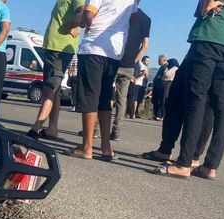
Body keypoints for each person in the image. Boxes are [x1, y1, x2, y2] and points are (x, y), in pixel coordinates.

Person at [152, 0, 224, 180]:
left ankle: (184, 163)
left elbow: (208, 5)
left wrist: (207, 6)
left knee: (197, 97)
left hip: (212, 35)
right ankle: (210, 166)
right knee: (221, 102)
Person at [68, 0, 137, 160]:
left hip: (94, 46)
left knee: (90, 96)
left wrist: (83, 22)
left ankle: (87, 147)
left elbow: (89, 14)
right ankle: (106, 147)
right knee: (105, 98)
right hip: (114, 51)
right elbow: (133, 18)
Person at [27, 0, 84, 140]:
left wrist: (70, 25)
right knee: (55, 89)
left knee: (50, 89)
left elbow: (82, 12)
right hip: (54, 46)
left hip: (59, 48)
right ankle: (52, 128)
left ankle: (36, 128)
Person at [111, 1, 150, 141]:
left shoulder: (121, 12)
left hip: (114, 58)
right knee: (122, 98)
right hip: (129, 64)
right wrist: (135, 60)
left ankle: (96, 128)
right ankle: (116, 129)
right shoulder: (146, 19)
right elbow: (145, 45)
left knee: (105, 94)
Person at [151, 55, 168, 120]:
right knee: (155, 101)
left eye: (159, 60)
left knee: (159, 101)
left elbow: (163, 78)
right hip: (156, 87)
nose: (158, 62)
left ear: (163, 60)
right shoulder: (161, 67)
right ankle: (156, 115)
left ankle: (159, 115)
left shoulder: (165, 67)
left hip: (160, 87)